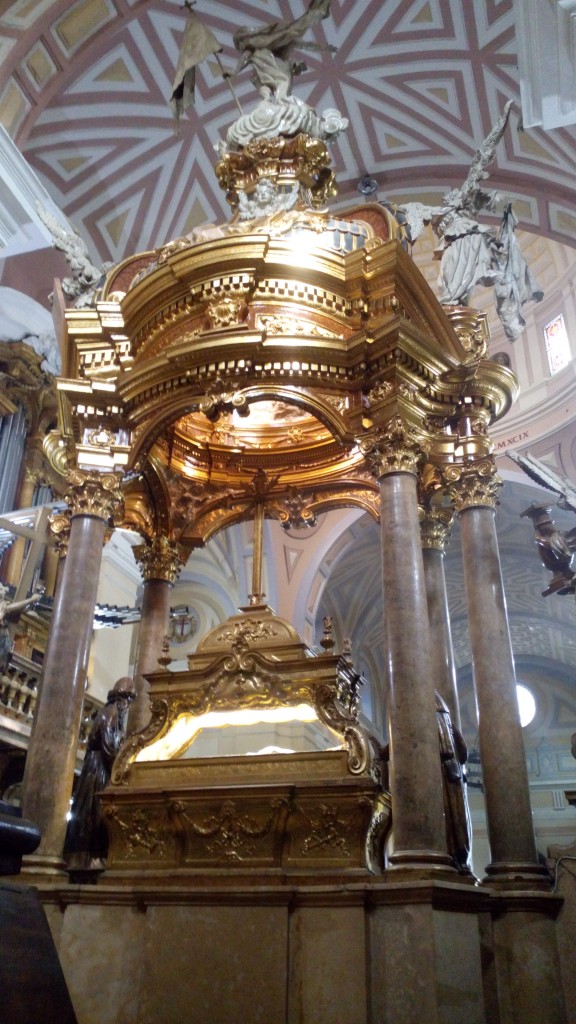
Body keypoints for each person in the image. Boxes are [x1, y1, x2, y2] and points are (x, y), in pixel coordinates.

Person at [65, 676, 136, 870]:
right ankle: (87, 858)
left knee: (96, 813)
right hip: (98, 770)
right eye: (128, 700)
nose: (128, 706)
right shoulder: (110, 713)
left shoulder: (114, 715)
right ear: (121, 698)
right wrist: (121, 771)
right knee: (93, 811)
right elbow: (108, 747)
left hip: (102, 768)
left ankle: (93, 856)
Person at [230, 0, 333, 104]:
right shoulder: (258, 47)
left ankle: (277, 102)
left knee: (283, 85)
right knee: (282, 83)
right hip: (272, 72)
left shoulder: (281, 40)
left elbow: (303, 44)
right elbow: (246, 56)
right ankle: (276, 101)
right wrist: (234, 71)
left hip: (277, 69)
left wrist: (322, 48)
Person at [436, 692, 473, 874]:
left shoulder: (433, 711)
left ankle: (456, 858)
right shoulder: (446, 715)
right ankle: (459, 859)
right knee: (457, 821)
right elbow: (463, 751)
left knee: (452, 820)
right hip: (453, 775)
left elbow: (454, 750)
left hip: (446, 775)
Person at [0, 583, 42, 673]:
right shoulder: (3, 606)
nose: (3, 593)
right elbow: (10, 608)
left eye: (2, 590)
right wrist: (31, 600)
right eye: (1, 590)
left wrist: (29, 606)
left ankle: (2, 665)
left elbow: (14, 608)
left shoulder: (3, 604)